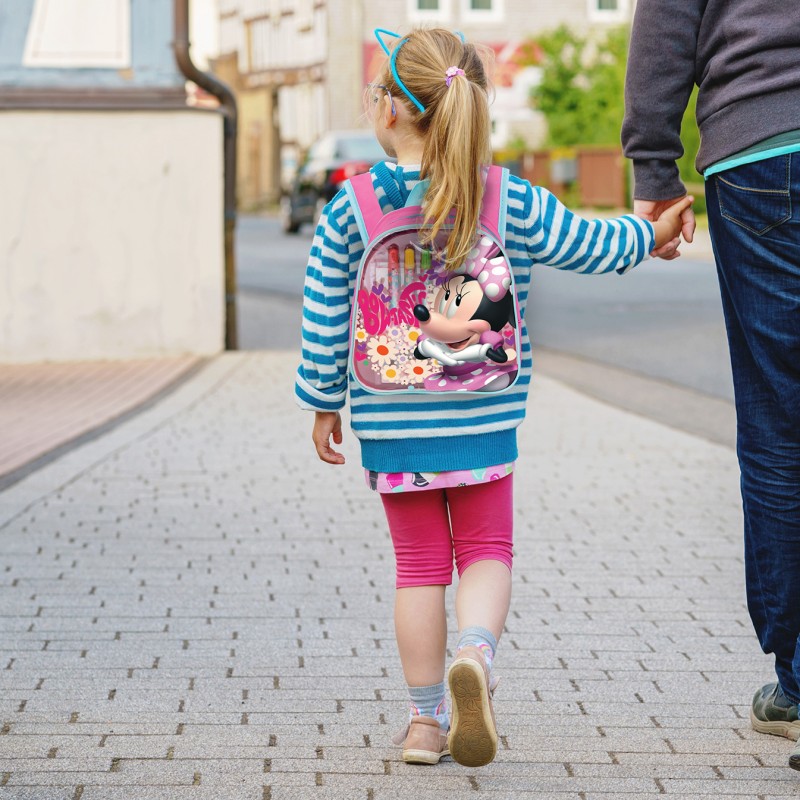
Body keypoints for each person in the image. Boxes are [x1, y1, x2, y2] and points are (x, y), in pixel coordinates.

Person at [295, 26, 690, 768]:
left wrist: (322, 402)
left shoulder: (352, 208)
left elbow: (323, 312)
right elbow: (589, 244)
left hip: (393, 424)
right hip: (484, 416)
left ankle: (421, 724)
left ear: (388, 112)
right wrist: (650, 232)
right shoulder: (506, 195)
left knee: (417, 570)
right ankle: (475, 653)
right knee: (485, 551)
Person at [622, 0, 800, 771]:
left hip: (763, 145)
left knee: (778, 421)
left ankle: (797, 677)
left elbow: (667, 19)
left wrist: (654, 165)